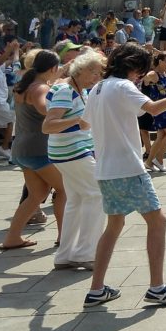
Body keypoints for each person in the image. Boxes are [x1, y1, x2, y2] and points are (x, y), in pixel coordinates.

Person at [81, 43, 166, 309]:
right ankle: (157, 288)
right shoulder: (123, 86)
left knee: (114, 226)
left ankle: (96, 289)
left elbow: (86, 123)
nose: (141, 75)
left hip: (105, 169)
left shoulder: (98, 88)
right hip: (127, 167)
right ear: (133, 66)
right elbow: (154, 108)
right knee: (157, 222)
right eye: (141, 69)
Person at [44, 50, 107, 269]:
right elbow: (48, 125)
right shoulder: (65, 90)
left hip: (72, 151)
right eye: (96, 73)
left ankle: (66, 255)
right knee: (97, 194)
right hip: (71, 152)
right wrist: (78, 121)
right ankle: (85, 253)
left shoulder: (79, 90)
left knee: (77, 200)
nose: (97, 78)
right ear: (84, 70)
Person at [1, 50, 67, 251]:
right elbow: (45, 110)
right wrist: (66, 114)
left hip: (22, 148)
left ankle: (12, 237)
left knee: (37, 194)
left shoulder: (23, 86)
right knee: (65, 189)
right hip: (39, 148)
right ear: (53, 68)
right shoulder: (39, 89)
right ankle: (64, 237)